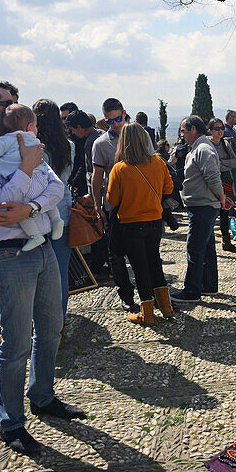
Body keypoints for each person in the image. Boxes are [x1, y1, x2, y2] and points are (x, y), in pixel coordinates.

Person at [0, 80, 83, 457]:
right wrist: (26, 170)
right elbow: (0, 208)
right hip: (9, 255)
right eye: (10, 102)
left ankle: (42, 395)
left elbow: (56, 188)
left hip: (43, 245)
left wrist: (34, 208)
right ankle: (12, 423)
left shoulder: (23, 139)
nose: (16, 108)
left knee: (53, 325)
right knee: (16, 343)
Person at [0, 104, 65, 252]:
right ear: (30, 126)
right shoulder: (34, 140)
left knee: (20, 208)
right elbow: (57, 187)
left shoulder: (6, 140)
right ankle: (57, 219)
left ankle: (35, 235)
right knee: (45, 197)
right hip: (41, 177)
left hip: (27, 181)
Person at [106, 122, 175, 324]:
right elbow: (168, 188)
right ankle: (166, 307)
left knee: (139, 267)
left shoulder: (119, 168)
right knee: (154, 262)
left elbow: (112, 200)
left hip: (130, 223)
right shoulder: (158, 162)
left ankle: (147, 313)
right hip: (154, 220)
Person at [90, 98, 154, 309]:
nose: (116, 124)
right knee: (116, 255)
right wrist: (98, 206)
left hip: (140, 205)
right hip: (114, 206)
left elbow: (152, 165)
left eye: (119, 119)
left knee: (146, 255)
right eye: (110, 121)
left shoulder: (141, 136)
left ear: (125, 114)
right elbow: (97, 177)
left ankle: (150, 295)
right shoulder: (100, 144)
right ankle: (127, 295)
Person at [171, 115, 232, 304]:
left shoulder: (204, 149)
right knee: (206, 247)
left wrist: (222, 199)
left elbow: (213, 178)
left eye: (183, 131)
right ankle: (208, 285)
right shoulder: (199, 148)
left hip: (203, 206)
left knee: (195, 248)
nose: (182, 135)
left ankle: (192, 291)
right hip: (202, 205)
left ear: (193, 130)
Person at [32, 98, 74, 334]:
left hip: (41, 212)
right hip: (64, 207)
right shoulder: (69, 145)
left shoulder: (36, 150)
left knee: (40, 273)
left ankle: (42, 324)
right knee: (61, 270)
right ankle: (60, 321)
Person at [208, 119, 236, 252]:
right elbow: (213, 166)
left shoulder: (225, 144)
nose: (220, 131)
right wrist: (223, 164)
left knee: (224, 213)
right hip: (213, 183)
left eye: (221, 128)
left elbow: (235, 162)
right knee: (211, 213)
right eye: (216, 128)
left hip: (226, 182)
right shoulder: (207, 145)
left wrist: (221, 163)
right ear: (210, 130)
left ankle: (226, 242)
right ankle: (208, 244)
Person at [66, 110, 97, 198]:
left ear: (79, 127)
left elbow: (90, 169)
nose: (72, 133)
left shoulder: (90, 142)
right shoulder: (100, 135)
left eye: (72, 129)